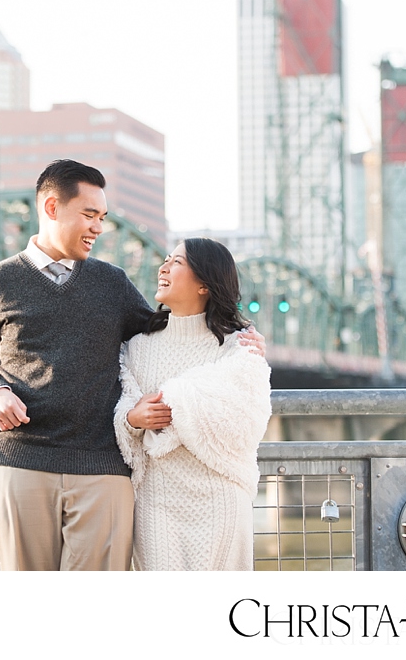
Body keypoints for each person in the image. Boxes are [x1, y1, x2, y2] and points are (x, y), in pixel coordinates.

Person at [0, 160, 263, 570]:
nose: (99, 227)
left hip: (102, 469)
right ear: (51, 208)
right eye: (89, 215)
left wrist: (243, 334)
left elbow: (170, 328)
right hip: (19, 462)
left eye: (102, 217)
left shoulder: (111, 282)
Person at [114, 237, 272, 570]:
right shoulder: (137, 347)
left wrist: (179, 402)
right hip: (156, 502)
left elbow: (249, 420)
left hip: (220, 497)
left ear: (204, 284)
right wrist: (132, 418)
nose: (163, 267)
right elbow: (123, 411)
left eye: (177, 262)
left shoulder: (240, 346)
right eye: (166, 260)